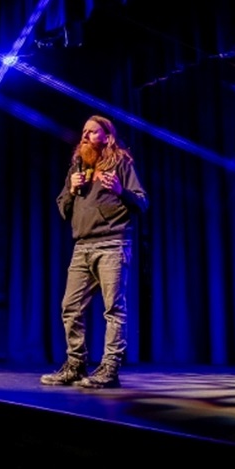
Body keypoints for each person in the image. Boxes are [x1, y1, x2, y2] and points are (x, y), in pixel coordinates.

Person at [41, 115, 148, 389]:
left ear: (106, 136)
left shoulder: (121, 163)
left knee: (113, 308)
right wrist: (73, 189)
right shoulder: (77, 167)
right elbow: (63, 208)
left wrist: (120, 190)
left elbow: (142, 202)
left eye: (92, 132)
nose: (86, 135)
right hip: (82, 246)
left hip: (113, 243)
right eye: (84, 131)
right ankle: (76, 365)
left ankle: (109, 369)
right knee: (70, 307)